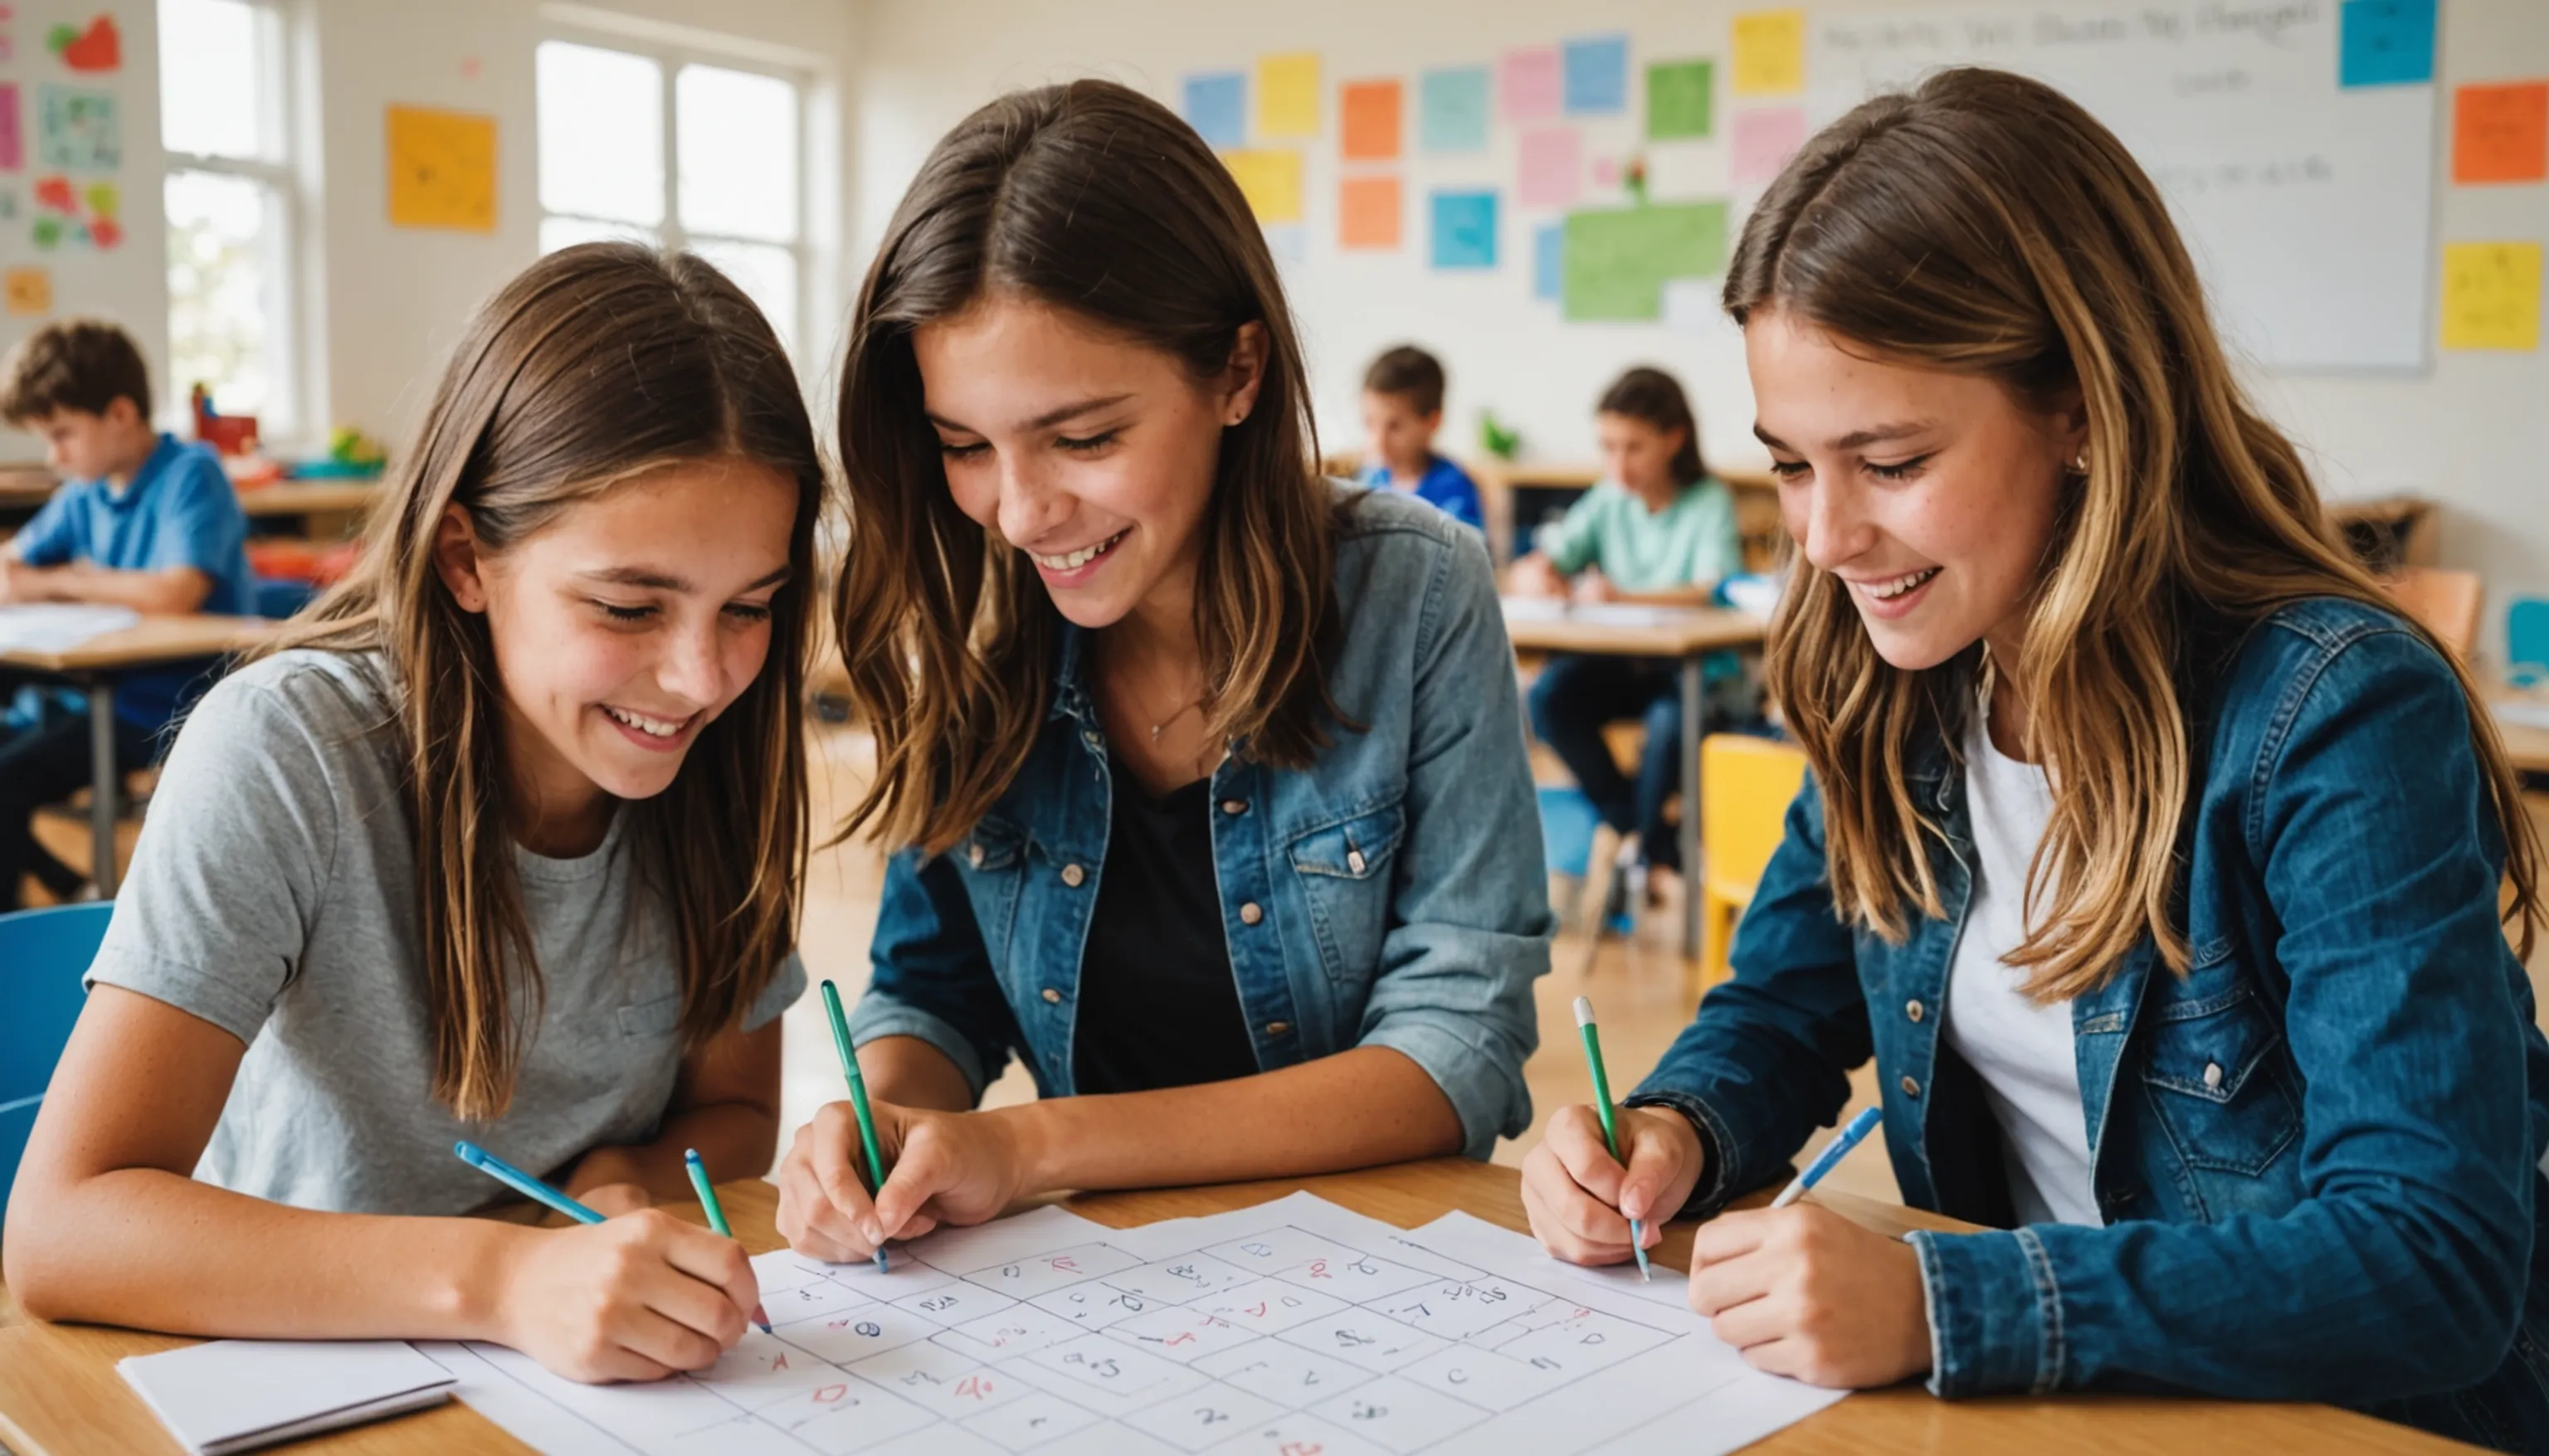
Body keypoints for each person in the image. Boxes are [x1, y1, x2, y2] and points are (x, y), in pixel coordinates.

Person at [1518, 68, 2549, 1452]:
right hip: (2065, 1411)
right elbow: (1779, 1009)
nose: (1821, 541)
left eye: (1885, 463)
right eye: (1787, 465)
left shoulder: (2336, 714)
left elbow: (2432, 1264)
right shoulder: (1892, 686)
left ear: (2080, 409)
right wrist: (1672, 1131)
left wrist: (1949, 1302)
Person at [3, 244, 823, 1385]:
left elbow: (734, 1106)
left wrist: (623, 1172)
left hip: (567, 1378)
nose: (699, 676)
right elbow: (60, 1229)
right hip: (294, 1365)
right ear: (465, 557)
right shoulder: (290, 753)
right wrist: (500, 1279)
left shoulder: (723, 757)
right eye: (631, 604)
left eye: (752, 606)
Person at [774, 80, 1549, 1264]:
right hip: (1095, 1291)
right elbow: (933, 993)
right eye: (965, 446)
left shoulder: (1417, 594)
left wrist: (1037, 1144)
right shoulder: (976, 622)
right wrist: (880, 1118)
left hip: (1376, 1271)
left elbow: (1453, 1052)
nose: (1023, 511)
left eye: (1085, 437)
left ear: (1238, 372)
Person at [0, 318, 251, 908]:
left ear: (119, 413)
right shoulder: (85, 490)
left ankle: (20, 952)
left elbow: (176, 592)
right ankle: (61, 881)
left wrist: (60, 582)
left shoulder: (192, 473)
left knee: (6, 782)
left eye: (63, 434)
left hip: (165, 702)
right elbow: (12, 568)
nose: (54, 454)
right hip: (88, 690)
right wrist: (44, 578)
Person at [1513, 367, 1744, 891]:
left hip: (1695, 675)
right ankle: (1646, 837)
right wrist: (1541, 572)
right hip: (1626, 669)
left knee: (1669, 726)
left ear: (1673, 439)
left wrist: (1622, 595)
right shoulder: (1608, 497)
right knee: (1549, 698)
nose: (1618, 463)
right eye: (1608, 446)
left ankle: (1641, 845)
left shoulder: (1709, 500)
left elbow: (1714, 586)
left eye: (1633, 447)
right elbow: (1546, 560)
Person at [1357, 344, 1483, 531]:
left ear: (1432, 422)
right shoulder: (1370, 478)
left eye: (1395, 427)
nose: (1379, 441)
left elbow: (1466, 555)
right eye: (1370, 423)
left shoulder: (1454, 490)